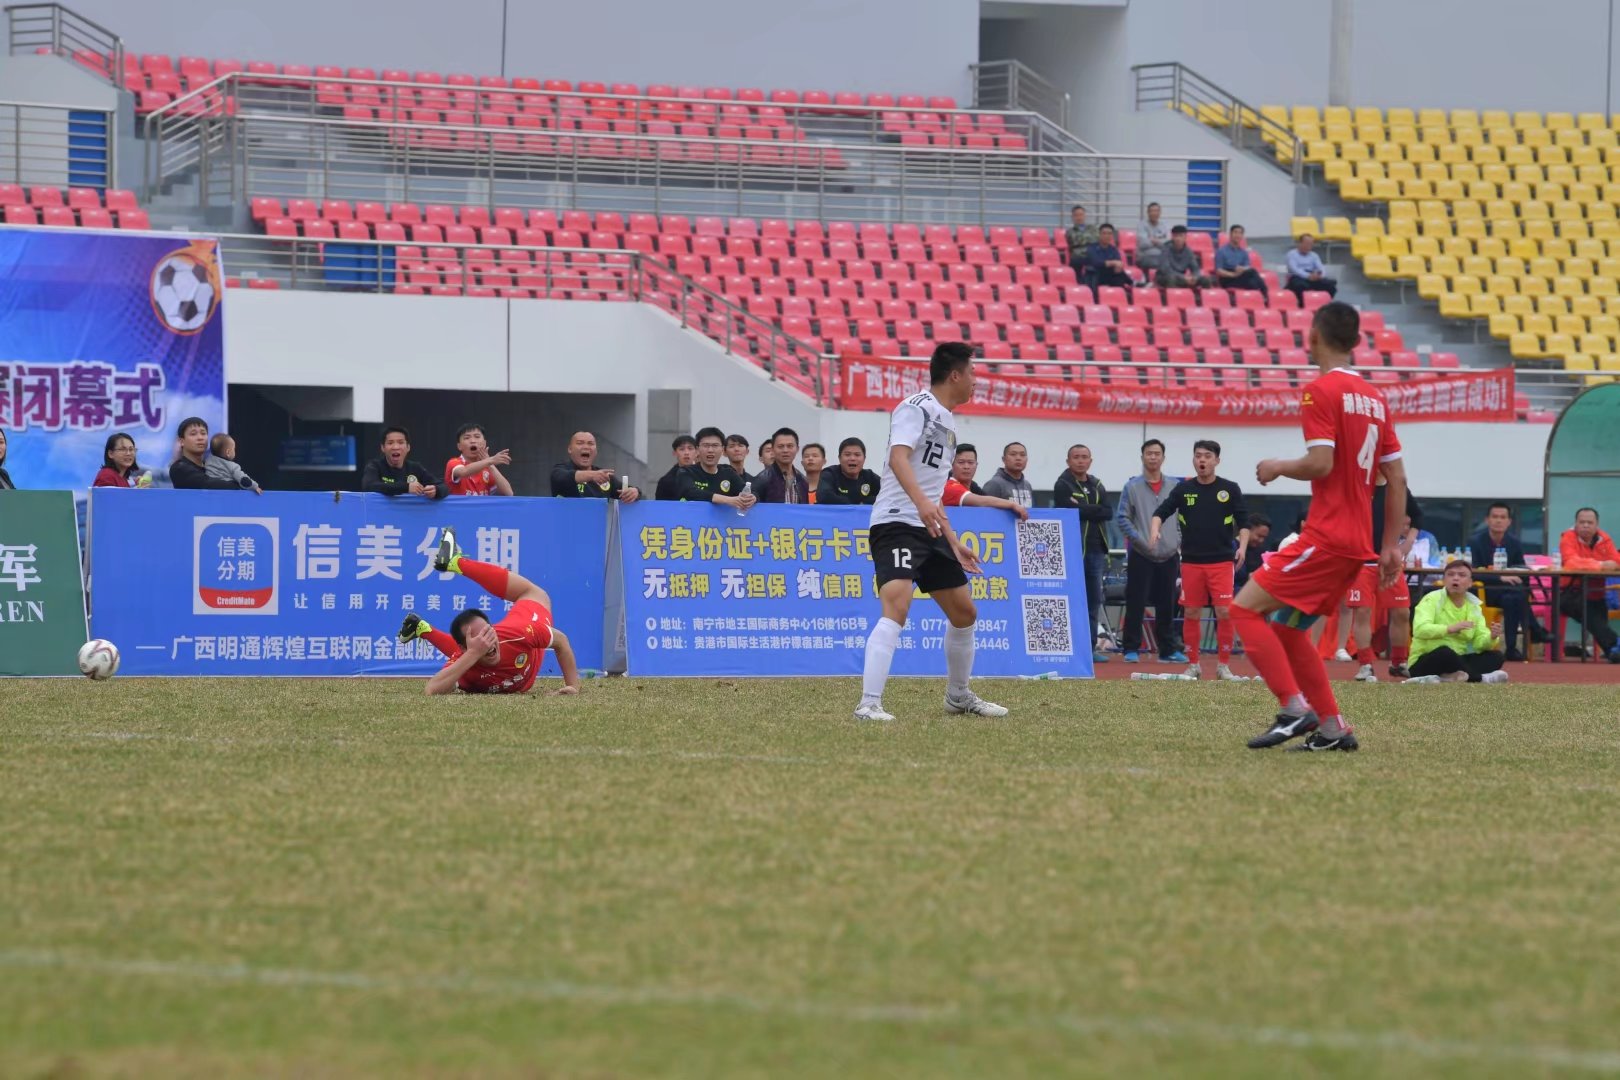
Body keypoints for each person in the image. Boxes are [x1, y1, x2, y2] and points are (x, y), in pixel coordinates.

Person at [1238, 301, 1406, 753]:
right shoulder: (1375, 398)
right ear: (1356, 342)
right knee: (1290, 630)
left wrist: (1275, 465)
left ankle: (1294, 708)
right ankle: (1333, 729)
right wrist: (1390, 546)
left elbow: (1319, 462)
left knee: (1242, 609)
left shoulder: (1319, 392)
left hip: (1327, 537)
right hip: (1357, 544)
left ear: (1313, 337)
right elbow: (1398, 479)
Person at [856, 341, 1007, 721]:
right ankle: (868, 703)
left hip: (930, 529)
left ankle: (958, 695)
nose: (976, 381)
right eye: (972, 373)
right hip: (896, 522)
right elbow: (897, 457)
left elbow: (934, 492)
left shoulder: (949, 421)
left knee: (964, 612)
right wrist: (921, 504)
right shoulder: (916, 407)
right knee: (897, 605)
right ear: (955, 374)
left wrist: (953, 540)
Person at [401, 526, 581, 696]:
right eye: (477, 639)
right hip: (474, 653)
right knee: (473, 650)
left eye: (488, 632)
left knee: (536, 594)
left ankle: (456, 563)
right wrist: (473, 653)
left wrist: (572, 687)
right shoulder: (463, 661)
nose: (486, 640)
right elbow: (432, 689)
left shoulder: (520, 633)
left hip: (525, 615)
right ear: (463, 650)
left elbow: (561, 641)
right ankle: (423, 628)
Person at [1149, 439, 1249, 680]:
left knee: (1224, 611)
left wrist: (1243, 547)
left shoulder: (1230, 489)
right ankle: (1193, 664)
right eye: (1198, 456)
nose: (1201, 460)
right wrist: (1155, 529)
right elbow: (1160, 512)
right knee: (1191, 612)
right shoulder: (1183, 489)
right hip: (1192, 562)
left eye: (1207, 456)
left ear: (1216, 460)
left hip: (1222, 561)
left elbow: (1244, 522)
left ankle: (1223, 666)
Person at [1342, 479, 1423, 680]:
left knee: (1402, 612)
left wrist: (1408, 543)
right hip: (1360, 562)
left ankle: (1398, 661)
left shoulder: (1397, 486)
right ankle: (1365, 664)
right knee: (1362, 612)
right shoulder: (1356, 484)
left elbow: (1418, 516)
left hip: (1390, 563)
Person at [1115, 438, 1185, 663]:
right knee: (1136, 601)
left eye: (1157, 453)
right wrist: (1138, 540)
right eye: (1149, 453)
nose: (1153, 457)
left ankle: (1167, 650)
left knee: (1168, 603)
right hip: (1141, 553)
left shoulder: (1176, 486)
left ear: (1163, 458)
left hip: (1169, 553)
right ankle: (1131, 649)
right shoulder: (1132, 486)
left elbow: (1184, 517)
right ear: (1142, 457)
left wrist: (1177, 541)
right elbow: (1123, 517)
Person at [1404, 560, 1509, 684]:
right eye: (1451, 574)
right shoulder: (1431, 599)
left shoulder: (1473, 607)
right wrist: (1449, 629)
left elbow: (1478, 644)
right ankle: (1480, 679)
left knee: (1496, 657)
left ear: (1470, 583)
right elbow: (1420, 629)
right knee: (1445, 652)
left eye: (1461, 575)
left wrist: (1491, 637)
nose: (1455, 578)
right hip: (1425, 660)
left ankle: (1447, 678)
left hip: (1457, 660)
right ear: (1444, 580)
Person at [1053, 444, 1112, 664]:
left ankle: (1089, 647)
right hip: (1073, 550)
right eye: (1076, 457)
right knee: (1072, 600)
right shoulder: (1063, 484)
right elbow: (1066, 510)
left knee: (1093, 600)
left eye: (1084, 457)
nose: (1080, 461)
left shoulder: (1097, 484)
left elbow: (1109, 512)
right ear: (1068, 461)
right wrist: (1093, 509)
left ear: (1090, 461)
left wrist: (1085, 508)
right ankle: (1070, 648)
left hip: (1097, 551)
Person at [1467, 502, 1546, 660]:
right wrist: (1501, 577)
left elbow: (1520, 567)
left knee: (1514, 598)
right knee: (1518, 594)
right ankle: (1535, 629)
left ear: (1509, 522)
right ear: (1487, 520)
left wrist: (1521, 574)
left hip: (1509, 593)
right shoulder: (1476, 541)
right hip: (1486, 591)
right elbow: (1472, 572)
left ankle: (1511, 648)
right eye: (1494, 517)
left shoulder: (1514, 542)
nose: (1498, 521)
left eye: (1503, 517)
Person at [1558, 507, 1620, 662]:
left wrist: (1608, 563)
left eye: (1589, 522)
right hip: (1570, 594)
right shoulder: (1568, 538)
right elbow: (1571, 562)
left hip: (1596, 593)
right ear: (1576, 523)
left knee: (1596, 612)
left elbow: (1617, 561)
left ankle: (1613, 651)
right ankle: (1615, 644)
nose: (1585, 525)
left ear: (1596, 524)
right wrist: (1600, 565)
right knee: (1589, 611)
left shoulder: (1604, 539)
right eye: (1582, 522)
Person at [677, 426, 755, 510]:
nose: (710, 450)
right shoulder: (686, 471)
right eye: (706, 445)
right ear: (697, 449)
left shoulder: (728, 472)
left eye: (715, 445)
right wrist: (727, 500)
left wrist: (752, 498)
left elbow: (749, 491)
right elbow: (690, 492)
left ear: (722, 449)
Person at [550, 431, 640, 502]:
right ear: (570, 449)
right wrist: (591, 475)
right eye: (580, 443)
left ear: (596, 451)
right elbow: (562, 478)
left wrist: (634, 492)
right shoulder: (560, 470)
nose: (586, 447)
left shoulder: (603, 477)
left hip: (597, 524)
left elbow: (626, 491)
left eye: (590, 443)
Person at [363, 426, 443, 498]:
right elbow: (369, 486)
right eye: (390, 443)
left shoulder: (415, 468)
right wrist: (407, 487)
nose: (395, 447)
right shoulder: (374, 466)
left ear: (408, 447)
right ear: (383, 447)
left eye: (401, 442)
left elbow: (443, 487)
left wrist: (436, 491)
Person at [169, 417, 245, 490]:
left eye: (203, 433)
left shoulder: (213, 465)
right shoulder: (178, 468)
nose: (200, 438)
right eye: (193, 434)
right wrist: (240, 484)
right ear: (181, 442)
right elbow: (207, 484)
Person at [445, 423, 514, 497]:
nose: (472, 441)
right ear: (459, 446)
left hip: (482, 508)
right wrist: (490, 460)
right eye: (467, 438)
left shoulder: (487, 468)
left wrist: (491, 465)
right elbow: (463, 471)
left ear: (484, 443)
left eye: (477, 437)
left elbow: (509, 493)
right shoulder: (453, 462)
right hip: (459, 508)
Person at [817, 437, 882, 505]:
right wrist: (857, 504)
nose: (852, 458)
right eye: (847, 455)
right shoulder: (830, 473)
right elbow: (824, 496)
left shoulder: (869, 476)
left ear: (864, 458)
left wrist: (865, 502)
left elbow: (888, 493)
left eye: (857, 455)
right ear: (839, 458)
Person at [755, 427, 810, 503]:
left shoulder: (803, 480)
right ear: (773, 450)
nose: (785, 450)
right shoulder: (762, 479)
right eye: (780, 446)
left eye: (790, 446)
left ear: (797, 449)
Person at [1215, 224, 1267, 300]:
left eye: (1240, 233)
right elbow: (1219, 271)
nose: (1238, 235)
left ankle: (1262, 297)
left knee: (1251, 278)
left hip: (1240, 275)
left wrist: (1241, 269)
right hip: (1227, 278)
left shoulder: (1244, 252)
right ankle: (1264, 295)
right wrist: (1233, 274)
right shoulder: (1221, 251)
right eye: (1235, 232)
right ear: (1230, 234)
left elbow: (1247, 267)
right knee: (1252, 274)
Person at [1284, 233, 1337, 302]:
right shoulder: (1291, 254)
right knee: (1300, 286)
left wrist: (1320, 275)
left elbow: (1320, 267)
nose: (1308, 246)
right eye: (1306, 244)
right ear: (1300, 243)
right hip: (1298, 276)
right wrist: (1308, 276)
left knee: (1331, 285)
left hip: (1313, 275)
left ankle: (1324, 303)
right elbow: (1294, 269)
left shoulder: (1314, 255)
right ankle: (1303, 304)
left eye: (1311, 244)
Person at [981, 441, 1033, 508]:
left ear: (1027, 459)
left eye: (1022, 455)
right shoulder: (994, 484)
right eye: (1013, 454)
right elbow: (984, 513)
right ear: (1004, 459)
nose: (1018, 458)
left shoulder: (1027, 485)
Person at [1086, 224, 1132, 289]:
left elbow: (1118, 263)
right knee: (1117, 276)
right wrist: (1113, 263)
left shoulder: (1113, 249)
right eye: (1104, 233)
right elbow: (1096, 263)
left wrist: (1116, 266)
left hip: (1111, 275)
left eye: (1109, 234)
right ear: (1099, 235)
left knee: (1118, 276)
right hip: (1096, 275)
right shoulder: (1092, 248)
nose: (1107, 236)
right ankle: (1132, 283)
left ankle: (1124, 291)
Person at [655, 435, 697, 501]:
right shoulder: (666, 481)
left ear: (696, 452)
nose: (686, 453)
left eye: (690, 448)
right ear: (674, 453)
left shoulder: (704, 474)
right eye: (682, 449)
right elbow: (661, 507)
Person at [1235, 514, 1270, 589]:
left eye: (1264, 537)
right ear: (1248, 530)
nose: (1261, 540)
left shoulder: (1261, 551)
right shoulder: (1232, 548)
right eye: (1259, 536)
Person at [1065, 205, 1099, 280]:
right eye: (1076, 215)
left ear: (1084, 216)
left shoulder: (1092, 228)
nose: (1079, 217)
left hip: (1091, 254)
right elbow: (1075, 241)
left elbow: (1096, 239)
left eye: (1081, 215)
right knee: (1076, 262)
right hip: (1078, 255)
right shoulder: (1070, 231)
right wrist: (1088, 239)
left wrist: (1083, 239)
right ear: (1073, 217)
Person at [1136, 202, 1170, 273]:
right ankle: (1149, 281)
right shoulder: (1141, 225)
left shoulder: (1164, 226)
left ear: (1160, 213)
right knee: (1161, 264)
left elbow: (1167, 244)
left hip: (1161, 257)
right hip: (1145, 257)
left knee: (1170, 263)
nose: (1154, 213)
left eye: (1157, 211)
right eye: (1152, 211)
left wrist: (1153, 240)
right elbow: (1142, 244)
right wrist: (1160, 241)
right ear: (1148, 213)